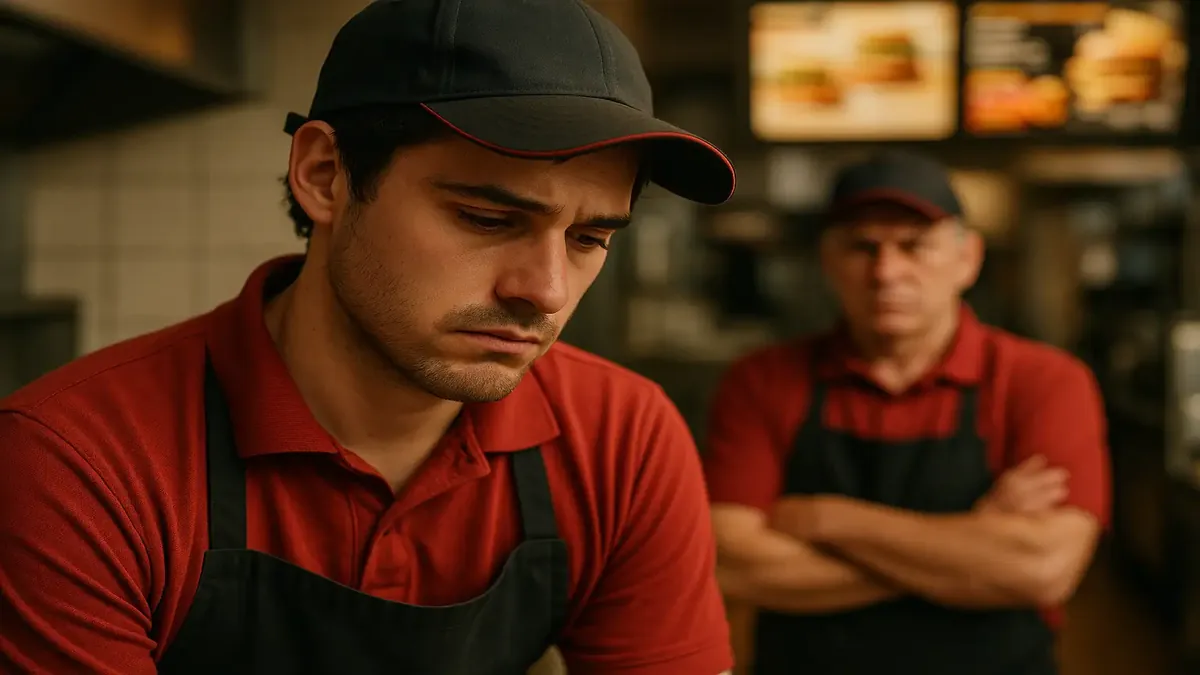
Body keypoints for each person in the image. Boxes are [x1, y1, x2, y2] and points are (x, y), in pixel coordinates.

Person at [0, 2, 738, 674]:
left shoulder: (620, 438)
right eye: (487, 219)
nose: (545, 290)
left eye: (588, 238)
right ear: (325, 175)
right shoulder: (76, 464)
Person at [704, 151, 1109, 675]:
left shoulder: (1045, 381)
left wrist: (826, 518)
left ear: (968, 259)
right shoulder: (760, 380)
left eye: (914, 246)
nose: (887, 272)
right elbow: (732, 563)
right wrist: (971, 544)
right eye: (862, 247)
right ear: (828, 260)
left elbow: (1042, 569)